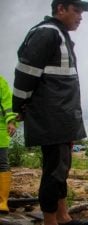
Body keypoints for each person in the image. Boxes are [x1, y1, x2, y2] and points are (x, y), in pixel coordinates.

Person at [12, 0, 88, 224]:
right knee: (54, 170)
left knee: (62, 168)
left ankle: (63, 216)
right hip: (52, 116)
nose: (80, 16)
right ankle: (51, 220)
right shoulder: (46, 34)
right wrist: (19, 106)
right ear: (60, 9)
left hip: (63, 115)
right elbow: (25, 73)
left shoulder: (60, 35)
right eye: (76, 10)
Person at [0, 76, 17, 214]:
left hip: (0, 132)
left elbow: (7, 104)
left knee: (2, 164)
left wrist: (11, 121)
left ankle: (2, 202)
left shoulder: (1, 82)